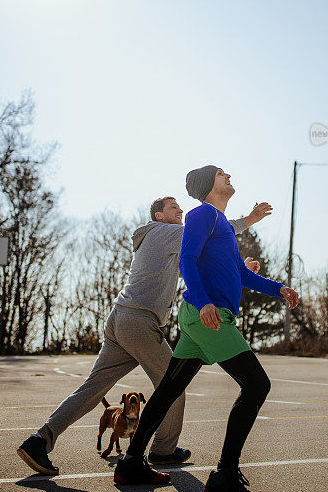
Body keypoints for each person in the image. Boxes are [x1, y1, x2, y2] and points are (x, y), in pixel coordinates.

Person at [16, 193, 272, 476]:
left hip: (121, 320)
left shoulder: (160, 240)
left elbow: (206, 263)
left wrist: (238, 272)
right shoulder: (165, 232)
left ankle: (39, 441)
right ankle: (162, 450)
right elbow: (212, 232)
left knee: (93, 389)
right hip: (139, 322)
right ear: (159, 216)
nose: (180, 210)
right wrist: (249, 219)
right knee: (171, 388)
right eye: (173, 207)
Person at [114, 165, 299, 492]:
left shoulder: (223, 226)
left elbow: (242, 273)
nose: (228, 175)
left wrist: (279, 289)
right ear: (207, 185)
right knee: (257, 385)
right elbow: (187, 258)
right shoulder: (202, 214)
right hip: (208, 318)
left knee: (169, 388)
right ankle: (226, 477)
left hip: (203, 319)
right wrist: (203, 302)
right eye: (221, 173)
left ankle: (131, 463)